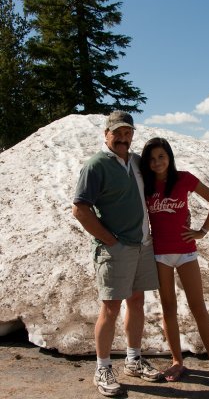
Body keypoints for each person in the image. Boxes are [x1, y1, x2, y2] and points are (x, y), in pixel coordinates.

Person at [72, 111, 161, 397]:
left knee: (136, 301)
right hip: (116, 248)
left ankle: (133, 359)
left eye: (128, 133)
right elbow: (80, 209)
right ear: (106, 133)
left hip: (142, 245)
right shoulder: (96, 165)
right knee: (110, 308)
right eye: (118, 133)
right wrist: (110, 241)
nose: (123, 138)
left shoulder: (135, 161)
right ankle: (103, 367)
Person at [140, 137, 209, 385]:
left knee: (198, 307)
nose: (157, 162)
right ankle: (177, 361)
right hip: (160, 255)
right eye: (152, 158)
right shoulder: (145, 184)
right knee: (169, 308)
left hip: (186, 252)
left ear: (169, 157)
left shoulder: (184, 179)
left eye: (161, 156)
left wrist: (203, 231)